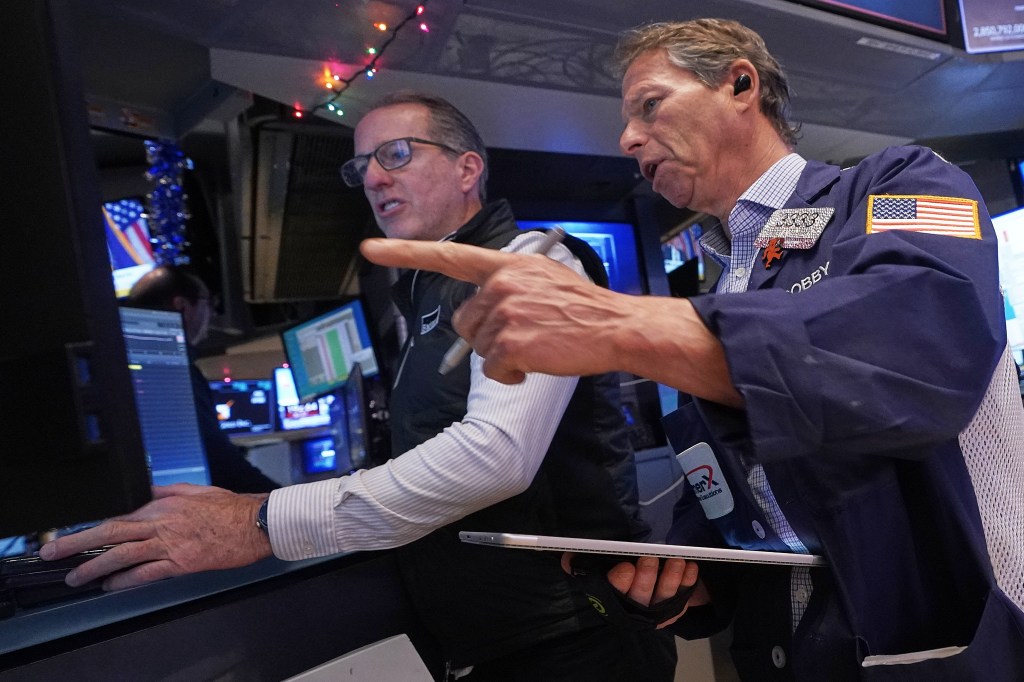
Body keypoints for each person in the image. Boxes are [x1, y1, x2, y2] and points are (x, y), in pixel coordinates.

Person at [355, 18, 1024, 682]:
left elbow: (913, 356)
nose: (627, 138)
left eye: (650, 105)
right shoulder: (716, 282)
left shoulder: (897, 183)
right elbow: (744, 497)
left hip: (965, 643)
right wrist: (688, 574)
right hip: (804, 654)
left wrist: (618, 325)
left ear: (740, 84)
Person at [44, 93, 690, 680]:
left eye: (397, 154)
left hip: (574, 640)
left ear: (468, 169)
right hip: (497, 640)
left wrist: (263, 520)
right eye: (362, 168)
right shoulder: (422, 298)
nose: (374, 178)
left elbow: (498, 457)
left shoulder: (534, 263)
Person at [127, 265, 280, 494]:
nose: (213, 314)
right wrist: (289, 503)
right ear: (182, 306)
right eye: (208, 303)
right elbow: (221, 463)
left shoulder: (128, 359)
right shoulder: (170, 371)